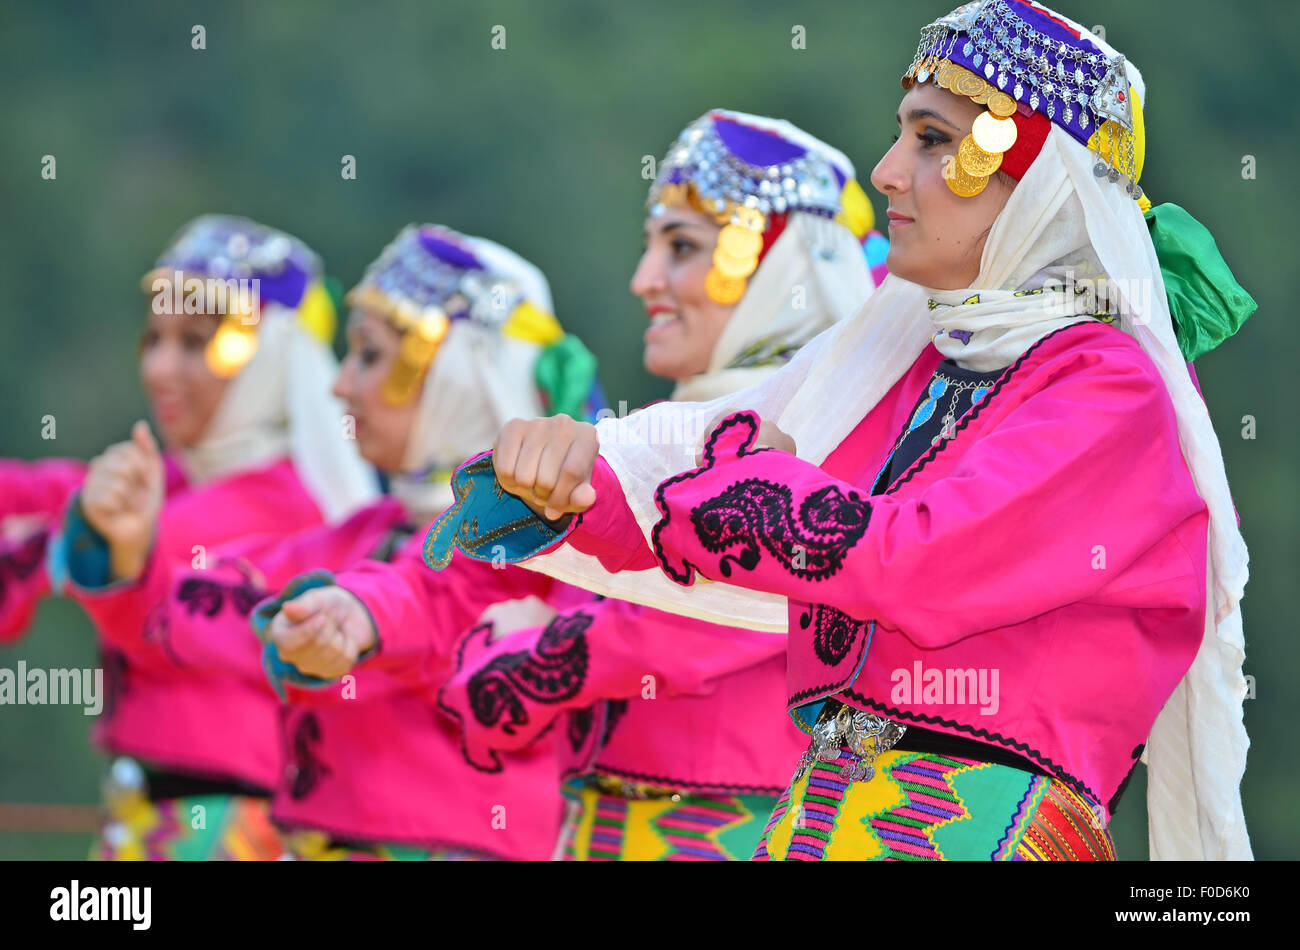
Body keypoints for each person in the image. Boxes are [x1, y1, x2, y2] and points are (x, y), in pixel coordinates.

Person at [431, 0, 1255, 860]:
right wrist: (573, 485)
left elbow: (920, 561)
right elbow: (712, 481)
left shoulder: (1105, 386)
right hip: (818, 820)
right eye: (903, 135)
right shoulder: (906, 363)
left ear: (1034, 171)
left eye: (932, 140)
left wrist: (752, 480)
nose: (889, 170)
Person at [433, 109, 887, 860]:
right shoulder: (655, 434)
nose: (644, 280)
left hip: (742, 831)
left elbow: (702, 616)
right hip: (600, 828)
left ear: (785, 269)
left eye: (681, 247)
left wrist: (531, 663)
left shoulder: (823, 432)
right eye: (651, 247)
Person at [93, 224, 600, 859]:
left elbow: (424, 595)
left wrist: (354, 618)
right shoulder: (367, 536)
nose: (340, 384)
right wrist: (128, 556)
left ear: (456, 374)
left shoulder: (538, 549)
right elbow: (219, 603)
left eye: (368, 355)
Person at [47, 215, 377, 859]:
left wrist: (97, 540)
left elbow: (104, 563)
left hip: (231, 833)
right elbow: (43, 496)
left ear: (274, 356)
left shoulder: (285, 507)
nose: (161, 369)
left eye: (197, 342)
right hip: (149, 820)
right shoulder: (172, 484)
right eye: (154, 338)